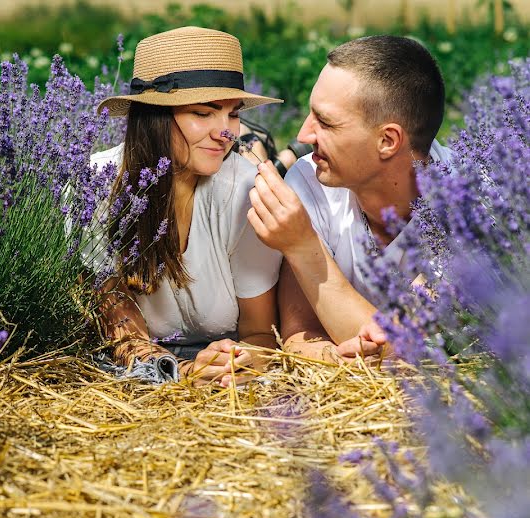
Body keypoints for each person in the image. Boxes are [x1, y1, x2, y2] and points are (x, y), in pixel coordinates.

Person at [87, 26, 283, 387]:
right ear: (155, 116)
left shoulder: (245, 193)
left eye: (233, 114)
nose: (225, 132)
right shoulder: (97, 185)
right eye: (204, 113)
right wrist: (185, 372)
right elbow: (123, 332)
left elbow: (261, 335)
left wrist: (235, 364)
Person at [247, 35, 451, 361]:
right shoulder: (310, 177)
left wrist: (304, 247)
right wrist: (345, 359)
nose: (302, 136)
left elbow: (411, 351)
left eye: (325, 122)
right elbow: (299, 337)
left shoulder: (472, 206)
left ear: (388, 140)